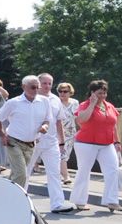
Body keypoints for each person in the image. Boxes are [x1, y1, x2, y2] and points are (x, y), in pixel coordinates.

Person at [21, 73, 74, 213]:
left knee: (54, 173)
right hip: (31, 142)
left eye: (50, 83)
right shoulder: (29, 98)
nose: (47, 86)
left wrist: (61, 143)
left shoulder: (56, 100)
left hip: (51, 142)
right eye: (44, 83)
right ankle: (19, 201)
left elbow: (58, 122)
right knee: (25, 172)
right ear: (37, 84)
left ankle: (57, 203)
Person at [69, 79, 120, 212]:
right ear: (92, 93)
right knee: (84, 171)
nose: (102, 96)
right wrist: (92, 104)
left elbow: (114, 125)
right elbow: (81, 120)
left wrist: (117, 142)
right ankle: (79, 201)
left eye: (104, 93)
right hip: (86, 144)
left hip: (107, 144)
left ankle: (111, 201)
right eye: (99, 93)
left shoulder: (109, 106)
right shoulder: (84, 105)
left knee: (113, 170)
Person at [0, 76, 52, 192]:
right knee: (21, 173)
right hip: (14, 142)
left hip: (31, 144)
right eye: (33, 87)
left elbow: (47, 119)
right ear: (24, 87)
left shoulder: (44, 101)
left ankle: (3, 194)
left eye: (38, 87)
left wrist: (45, 126)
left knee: (17, 174)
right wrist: (2, 135)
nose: (36, 90)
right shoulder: (13, 102)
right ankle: (15, 199)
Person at [56, 82, 79, 184]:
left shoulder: (75, 103)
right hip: (58, 132)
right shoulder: (55, 102)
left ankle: (58, 174)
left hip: (71, 133)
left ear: (70, 92)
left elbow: (78, 118)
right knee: (62, 155)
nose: (62, 93)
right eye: (60, 91)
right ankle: (66, 177)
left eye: (65, 91)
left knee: (65, 155)